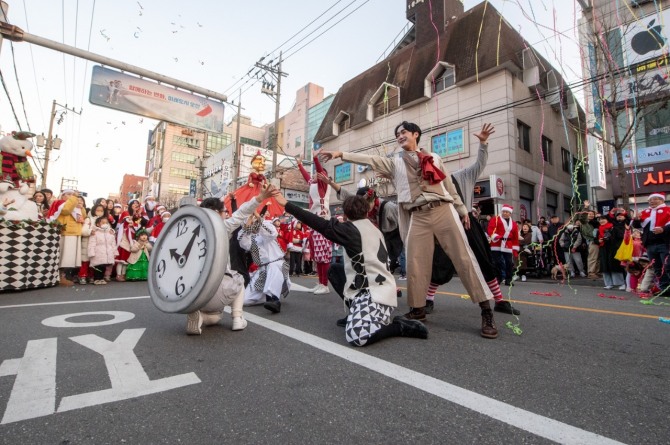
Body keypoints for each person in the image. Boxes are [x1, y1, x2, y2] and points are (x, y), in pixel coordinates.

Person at [319, 121, 497, 339]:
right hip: (417, 215)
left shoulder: (436, 158)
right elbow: (370, 159)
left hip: (443, 209)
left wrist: (462, 210)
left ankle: (486, 310)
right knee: (415, 262)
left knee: (464, 258)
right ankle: (418, 309)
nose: (400, 136)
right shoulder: (394, 163)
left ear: (416, 134)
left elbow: (450, 187)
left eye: (403, 132)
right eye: (397, 134)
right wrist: (340, 153)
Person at [275, 191, 428, 346]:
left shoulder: (351, 230)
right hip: (376, 288)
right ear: (367, 211)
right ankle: (354, 313)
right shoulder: (373, 228)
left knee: (357, 337)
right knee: (334, 270)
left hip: (375, 295)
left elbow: (318, 223)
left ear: (346, 214)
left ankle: (398, 326)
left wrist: (286, 204)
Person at [239, 206, 290, 313]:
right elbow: (244, 243)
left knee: (273, 267)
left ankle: (274, 300)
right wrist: (248, 223)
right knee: (245, 300)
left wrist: (257, 216)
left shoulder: (266, 228)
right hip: (262, 270)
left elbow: (272, 233)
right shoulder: (248, 237)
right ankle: (268, 294)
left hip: (277, 264)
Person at [296, 155, 333, 294]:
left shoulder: (324, 183)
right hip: (315, 223)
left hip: (323, 222)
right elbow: (306, 177)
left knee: (323, 256)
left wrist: (316, 158)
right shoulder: (313, 184)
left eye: (316, 173)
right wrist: (300, 165)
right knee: (317, 256)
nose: (313, 175)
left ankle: (325, 284)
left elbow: (320, 171)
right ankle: (320, 282)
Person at [223, 150, 284, 218]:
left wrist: (265, 184)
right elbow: (250, 179)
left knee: (265, 200)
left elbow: (264, 180)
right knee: (248, 200)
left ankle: (262, 214)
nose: (262, 163)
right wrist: (250, 183)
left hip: (260, 188)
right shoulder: (252, 173)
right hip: (251, 187)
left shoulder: (262, 174)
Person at [46, 190, 83, 286]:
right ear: (62, 196)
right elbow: (66, 210)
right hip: (65, 232)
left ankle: (63, 276)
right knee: (64, 256)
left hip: (74, 232)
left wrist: (80, 207)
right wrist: (74, 198)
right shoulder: (59, 203)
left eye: (72, 194)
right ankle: (60, 276)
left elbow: (82, 217)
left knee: (69, 257)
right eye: (68, 194)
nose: (71, 196)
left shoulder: (73, 205)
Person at [639, 193, 670, 296]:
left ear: (661, 200)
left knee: (667, 266)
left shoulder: (668, 210)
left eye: (655, 199)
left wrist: (663, 229)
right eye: (650, 200)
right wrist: (635, 220)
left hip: (665, 244)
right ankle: (664, 289)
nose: (652, 201)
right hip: (650, 245)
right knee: (657, 268)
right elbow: (637, 225)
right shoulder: (645, 212)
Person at [488, 204, 520, 286]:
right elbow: (490, 230)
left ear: (510, 213)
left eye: (507, 212)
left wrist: (515, 248)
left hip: (508, 244)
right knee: (497, 262)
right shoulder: (495, 219)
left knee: (509, 263)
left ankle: (508, 279)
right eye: (504, 211)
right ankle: (498, 278)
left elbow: (515, 236)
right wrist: (495, 236)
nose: (505, 213)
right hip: (496, 243)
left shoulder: (513, 224)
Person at [597, 211, 627, 290]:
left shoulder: (614, 227)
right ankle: (609, 283)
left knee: (615, 266)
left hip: (613, 249)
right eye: (600, 219)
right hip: (603, 249)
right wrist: (598, 241)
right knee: (605, 267)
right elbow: (595, 240)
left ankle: (621, 283)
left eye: (603, 219)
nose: (601, 221)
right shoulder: (598, 229)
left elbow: (620, 237)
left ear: (608, 220)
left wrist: (611, 238)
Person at [87, 216, 117, 285]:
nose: (105, 224)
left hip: (107, 253)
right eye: (103, 222)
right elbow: (92, 243)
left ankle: (101, 278)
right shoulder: (95, 233)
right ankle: (97, 279)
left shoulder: (110, 233)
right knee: (98, 267)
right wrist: (91, 252)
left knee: (104, 266)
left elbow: (113, 244)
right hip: (98, 253)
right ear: (98, 224)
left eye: (106, 222)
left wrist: (115, 252)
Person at [77, 197, 94, 285]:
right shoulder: (88, 219)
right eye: (97, 210)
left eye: (101, 211)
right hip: (86, 242)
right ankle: (82, 276)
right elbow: (83, 231)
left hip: (96, 244)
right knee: (85, 261)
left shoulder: (103, 220)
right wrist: (91, 231)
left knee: (93, 262)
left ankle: (91, 276)